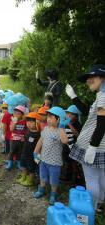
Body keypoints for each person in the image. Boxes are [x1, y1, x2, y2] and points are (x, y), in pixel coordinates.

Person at [65, 64, 105, 210]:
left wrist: (92, 147)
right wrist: (74, 97)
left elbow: (102, 124)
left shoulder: (103, 96)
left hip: (94, 145)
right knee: (101, 176)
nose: (88, 80)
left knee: (92, 178)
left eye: (92, 77)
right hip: (102, 146)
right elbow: (90, 113)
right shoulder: (101, 94)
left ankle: (92, 209)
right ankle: (99, 204)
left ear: (102, 77)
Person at [33, 107, 69, 205]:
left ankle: (53, 194)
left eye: (51, 117)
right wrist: (35, 152)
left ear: (58, 119)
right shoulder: (45, 129)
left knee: (54, 180)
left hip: (55, 162)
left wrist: (61, 127)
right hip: (43, 160)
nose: (48, 119)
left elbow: (65, 141)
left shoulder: (60, 131)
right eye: (48, 117)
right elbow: (40, 141)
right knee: (42, 176)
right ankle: (41, 189)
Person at [60, 105, 84, 185]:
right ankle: (67, 177)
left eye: (71, 114)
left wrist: (69, 124)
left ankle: (77, 180)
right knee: (66, 162)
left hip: (75, 147)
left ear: (76, 116)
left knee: (75, 164)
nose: (69, 115)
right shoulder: (65, 123)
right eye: (68, 113)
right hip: (66, 146)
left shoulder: (77, 124)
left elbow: (78, 135)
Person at [18, 112, 41, 186]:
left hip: (32, 155)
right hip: (24, 153)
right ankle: (23, 177)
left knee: (31, 169)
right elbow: (26, 138)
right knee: (23, 166)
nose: (28, 123)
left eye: (31, 122)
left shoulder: (39, 134)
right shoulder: (28, 131)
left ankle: (30, 180)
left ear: (37, 123)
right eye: (27, 121)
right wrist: (23, 139)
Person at [5, 105, 27, 170]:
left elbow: (26, 130)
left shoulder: (24, 121)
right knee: (12, 151)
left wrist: (25, 137)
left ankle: (18, 162)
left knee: (19, 152)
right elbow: (11, 129)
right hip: (13, 139)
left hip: (21, 140)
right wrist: (15, 122)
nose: (16, 115)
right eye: (15, 113)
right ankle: (10, 162)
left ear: (22, 115)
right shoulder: (13, 120)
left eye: (18, 114)